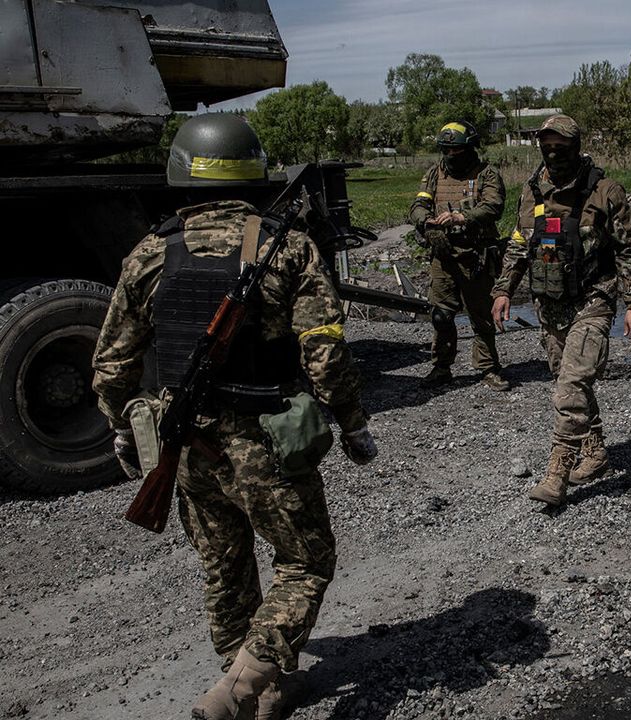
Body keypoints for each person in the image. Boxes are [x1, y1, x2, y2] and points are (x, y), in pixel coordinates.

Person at [91, 114, 377, 720]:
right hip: (265, 440)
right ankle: (243, 686)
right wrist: (351, 423)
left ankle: (257, 692)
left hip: (189, 442)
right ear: (253, 171)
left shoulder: (148, 253)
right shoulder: (287, 246)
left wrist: (122, 427)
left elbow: (112, 365)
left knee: (225, 567)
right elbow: (325, 352)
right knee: (306, 561)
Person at [490, 114, 631, 508]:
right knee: (568, 383)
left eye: (561, 145)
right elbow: (519, 244)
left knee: (570, 387)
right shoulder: (531, 193)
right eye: (547, 145)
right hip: (549, 304)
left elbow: (629, 249)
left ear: (576, 147)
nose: (553, 152)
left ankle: (557, 473)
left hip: (594, 299)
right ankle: (594, 453)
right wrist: (503, 289)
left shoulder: (605, 191)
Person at [409, 120, 509, 390]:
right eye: (446, 150)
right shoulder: (434, 173)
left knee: (481, 315)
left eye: (456, 150)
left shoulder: (486, 174)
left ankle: (488, 368)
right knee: (441, 315)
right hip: (443, 256)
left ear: (469, 148)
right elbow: (418, 204)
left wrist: (461, 217)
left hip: (475, 255)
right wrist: (425, 222)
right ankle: (442, 367)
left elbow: (493, 206)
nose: (451, 156)